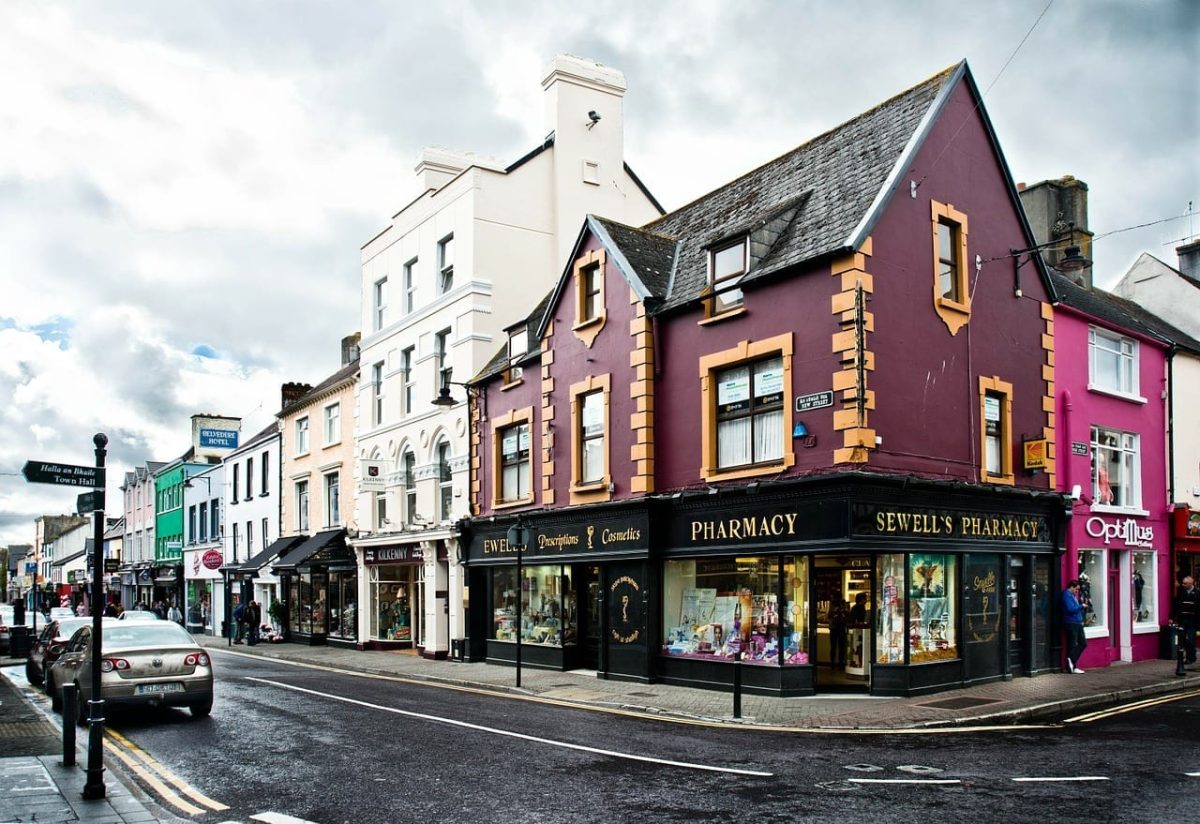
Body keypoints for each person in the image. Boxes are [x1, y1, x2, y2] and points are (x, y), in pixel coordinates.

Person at [1171, 575, 1198, 669]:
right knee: (1183, 639)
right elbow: (1175, 604)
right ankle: (1189, 657)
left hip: (1193, 621)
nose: (1183, 585)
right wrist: (1172, 616)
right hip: (1182, 619)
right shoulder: (1181, 592)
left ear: (1191, 583)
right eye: (1182, 583)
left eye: (1185, 583)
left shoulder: (1197, 593)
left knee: (1190, 639)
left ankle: (1191, 657)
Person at [1062, 579, 1087, 673]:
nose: (1077, 591)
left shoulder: (1072, 595)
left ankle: (1071, 660)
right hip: (1071, 623)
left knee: (1083, 643)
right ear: (1071, 587)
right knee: (1072, 644)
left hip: (1077, 622)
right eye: (1076, 589)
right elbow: (1070, 609)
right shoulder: (1066, 595)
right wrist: (1081, 606)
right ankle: (1072, 666)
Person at [828, 594, 849, 668]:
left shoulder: (832, 604)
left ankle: (833, 663)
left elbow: (829, 615)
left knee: (834, 647)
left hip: (834, 628)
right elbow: (847, 615)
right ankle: (840, 663)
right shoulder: (843, 604)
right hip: (841, 628)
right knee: (841, 647)